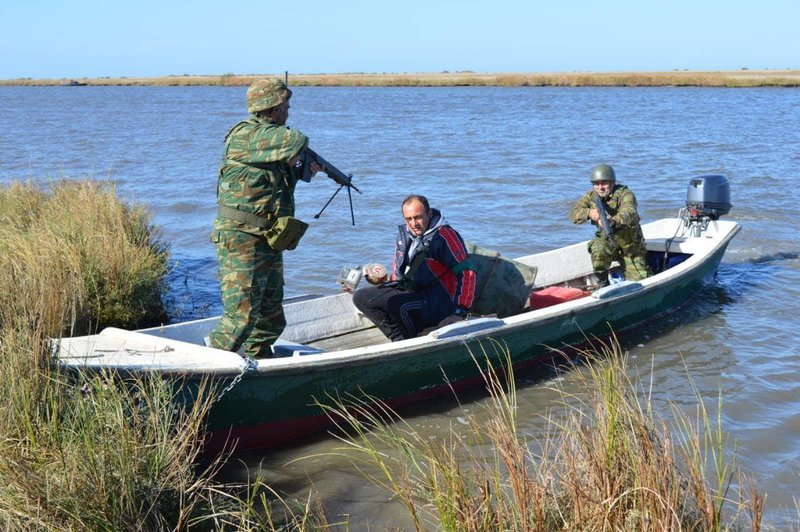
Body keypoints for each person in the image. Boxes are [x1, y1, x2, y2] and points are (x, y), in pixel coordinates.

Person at [208, 77, 319, 358]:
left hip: (268, 237)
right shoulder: (248, 135)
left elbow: (270, 186)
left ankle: (259, 359)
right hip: (242, 238)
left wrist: (300, 170)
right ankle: (205, 368)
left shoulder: (266, 145)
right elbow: (296, 139)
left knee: (271, 316)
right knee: (241, 318)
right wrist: (298, 155)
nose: (289, 111)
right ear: (274, 106)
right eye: (286, 106)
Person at [352, 195, 477, 341]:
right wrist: (381, 281)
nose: (413, 224)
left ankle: (414, 341)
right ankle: (399, 339)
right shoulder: (404, 235)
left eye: (418, 217)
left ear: (429, 213)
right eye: (408, 219)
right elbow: (399, 273)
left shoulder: (445, 236)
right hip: (414, 291)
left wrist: (459, 312)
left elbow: (468, 273)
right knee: (361, 298)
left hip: (440, 299)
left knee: (397, 305)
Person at [568, 163, 652, 285]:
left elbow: (630, 212)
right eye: (596, 184)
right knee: (598, 249)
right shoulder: (591, 196)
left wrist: (613, 220)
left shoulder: (625, 194)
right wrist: (590, 213)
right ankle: (603, 282)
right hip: (608, 240)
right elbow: (573, 212)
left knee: (641, 282)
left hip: (630, 246)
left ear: (612, 183)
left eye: (604, 183)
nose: (600, 187)